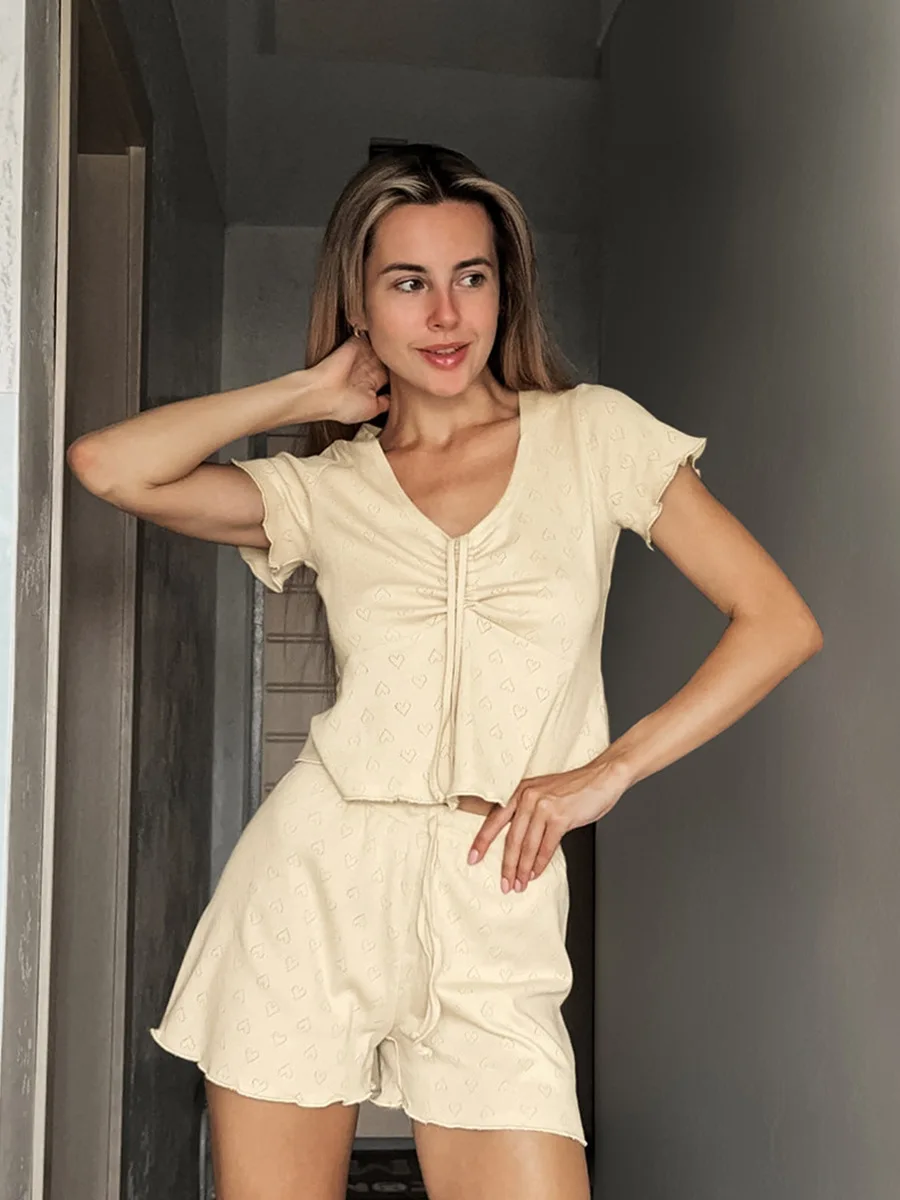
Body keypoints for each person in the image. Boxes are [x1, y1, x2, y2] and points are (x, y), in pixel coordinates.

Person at [67, 143, 823, 1200]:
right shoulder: (328, 487)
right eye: (406, 283)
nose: (446, 314)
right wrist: (309, 388)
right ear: (360, 305)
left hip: (496, 897)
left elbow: (778, 621)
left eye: (471, 276)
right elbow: (107, 466)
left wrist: (607, 772)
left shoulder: (593, 434)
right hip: (313, 891)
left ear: (505, 290)